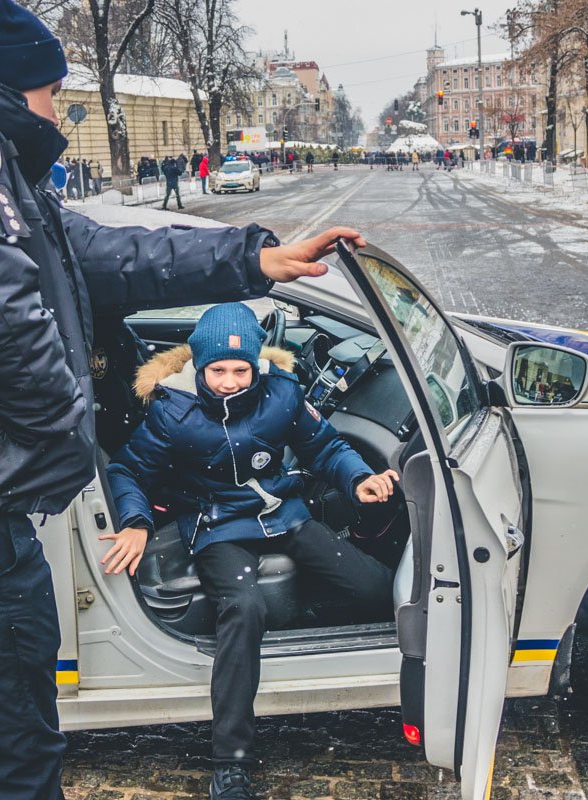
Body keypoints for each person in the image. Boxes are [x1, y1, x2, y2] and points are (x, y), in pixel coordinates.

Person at [0, 1, 366, 797]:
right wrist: (64, 432)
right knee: (15, 752)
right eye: (52, 93)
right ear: (15, 85)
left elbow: (115, 255)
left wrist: (257, 260)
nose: (59, 111)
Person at [104, 303, 396, 800]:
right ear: (199, 366)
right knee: (243, 609)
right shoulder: (173, 412)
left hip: (285, 515)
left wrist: (359, 479)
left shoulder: (282, 395)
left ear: (257, 365)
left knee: (377, 588)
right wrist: (135, 522)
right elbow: (127, 471)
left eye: (241, 370)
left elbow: (324, 448)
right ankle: (231, 761)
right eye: (217, 370)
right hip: (218, 526)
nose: (230, 381)